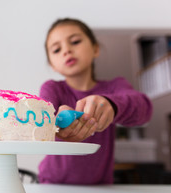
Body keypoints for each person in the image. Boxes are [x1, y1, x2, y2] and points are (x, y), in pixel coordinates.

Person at [38, 18, 153, 184]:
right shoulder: (51, 88)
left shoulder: (115, 86)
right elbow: (40, 125)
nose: (67, 51)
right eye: (56, 49)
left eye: (75, 41)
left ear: (95, 48)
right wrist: (54, 125)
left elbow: (144, 108)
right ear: (52, 65)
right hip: (52, 183)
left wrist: (112, 105)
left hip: (100, 186)